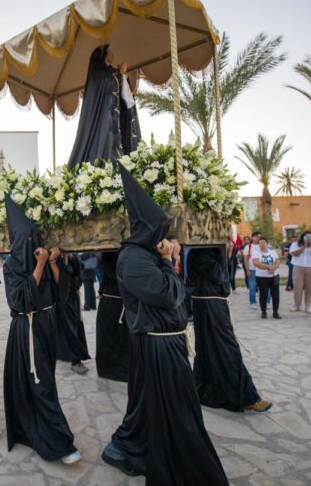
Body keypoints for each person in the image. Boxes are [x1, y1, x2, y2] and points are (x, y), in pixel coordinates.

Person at [101, 164, 228, 485]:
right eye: (160, 229)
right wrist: (171, 261)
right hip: (156, 345)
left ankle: (125, 447)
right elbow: (169, 296)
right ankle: (161, 457)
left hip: (163, 342)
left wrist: (164, 261)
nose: (166, 236)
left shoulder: (146, 256)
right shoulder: (132, 258)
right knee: (176, 410)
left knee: (151, 406)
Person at [1, 195, 81, 466]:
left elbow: (60, 290)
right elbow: (22, 298)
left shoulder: (44, 259)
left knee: (43, 382)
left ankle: (35, 427)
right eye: (27, 238)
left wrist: (53, 263)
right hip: (28, 327)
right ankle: (59, 443)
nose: (32, 243)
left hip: (47, 324)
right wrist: (38, 264)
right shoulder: (11, 266)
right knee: (42, 384)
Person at [186, 246, 272, 412]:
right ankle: (248, 397)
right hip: (210, 305)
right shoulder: (203, 252)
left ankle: (213, 389)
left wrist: (226, 252)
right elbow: (221, 277)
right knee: (227, 348)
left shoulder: (208, 251)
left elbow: (227, 276)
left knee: (213, 348)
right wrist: (223, 252)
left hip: (210, 304)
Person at [67, 44, 140, 169]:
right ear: (103, 54)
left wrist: (120, 74)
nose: (113, 54)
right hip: (103, 116)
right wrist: (121, 72)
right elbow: (111, 82)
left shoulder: (109, 71)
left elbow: (119, 89)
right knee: (105, 142)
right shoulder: (98, 71)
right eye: (110, 51)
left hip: (111, 114)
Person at [95, 251, 129, 382]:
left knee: (121, 337)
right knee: (110, 336)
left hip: (119, 299)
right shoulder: (109, 254)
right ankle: (109, 369)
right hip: (111, 298)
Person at [54, 253, 91, 374]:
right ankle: (75, 359)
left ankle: (75, 356)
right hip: (61, 298)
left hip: (72, 297)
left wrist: (71, 257)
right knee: (68, 327)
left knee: (74, 325)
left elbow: (79, 268)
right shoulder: (53, 257)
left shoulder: (70, 255)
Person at [252, 237, 282, 320]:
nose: (262, 244)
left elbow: (278, 261)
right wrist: (269, 267)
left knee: (275, 295)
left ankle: (275, 312)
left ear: (267, 243)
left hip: (274, 276)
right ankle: (263, 312)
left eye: (263, 242)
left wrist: (274, 268)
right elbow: (256, 263)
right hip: (262, 277)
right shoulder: (256, 252)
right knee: (263, 294)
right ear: (258, 244)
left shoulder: (273, 252)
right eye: (260, 243)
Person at [289, 231, 311, 313]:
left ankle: (308, 305)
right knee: (297, 287)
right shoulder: (295, 244)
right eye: (306, 237)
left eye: (310, 237)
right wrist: (304, 246)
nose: (308, 238)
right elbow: (294, 253)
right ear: (303, 237)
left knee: (310, 287)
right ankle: (296, 305)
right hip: (298, 267)